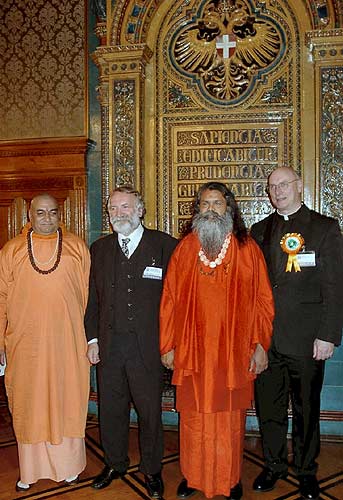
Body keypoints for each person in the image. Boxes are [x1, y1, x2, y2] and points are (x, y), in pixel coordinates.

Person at [159, 182, 274, 500]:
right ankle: (193, 477)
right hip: (193, 351)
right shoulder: (185, 248)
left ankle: (229, 479)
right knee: (194, 417)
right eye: (205, 204)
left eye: (217, 203)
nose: (211, 209)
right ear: (197, 210)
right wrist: (168, 345)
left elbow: (264, 300)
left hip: (233, 353)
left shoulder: (247, 248)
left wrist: (261, 345)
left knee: (229, 419)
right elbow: (168, 298)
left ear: (230, 209)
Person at [250, 167, 343, 500]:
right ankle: (273, 464)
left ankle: (306, 471)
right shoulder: (258, 230)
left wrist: (328, 335)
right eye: (272, 186)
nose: (278, 191)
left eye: (284, 184)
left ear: (300, 186)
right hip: (266, 340)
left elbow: (334, 286)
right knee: (268, 408)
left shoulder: (324, 228)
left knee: (306, 409)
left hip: (307, 340)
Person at [85, 185, 178, 497]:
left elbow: (177, 301)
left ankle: (152, 470)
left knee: (150, 412)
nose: (118, 213)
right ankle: (114, 462)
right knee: (111, 409)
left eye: (125, 207)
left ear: (140, 210)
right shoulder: (99, 249)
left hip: (148, 349)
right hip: (110, 347)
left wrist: (171, 344)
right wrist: (92, 339)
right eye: (113, 208)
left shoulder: (165, 246)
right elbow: (92, 300)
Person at [0, 194, 90, 491]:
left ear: (59, 214)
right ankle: (31, 470)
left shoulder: (77, 247)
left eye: (53, 212)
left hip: (68, 341)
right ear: (30, 215)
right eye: (41, 213)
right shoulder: (11, 251)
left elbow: (90, 297)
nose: (47, 218)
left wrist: (89, 338)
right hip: (27, 346)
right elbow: (0, 300)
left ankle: (69, 466)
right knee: (30, 402)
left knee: (67, 398)